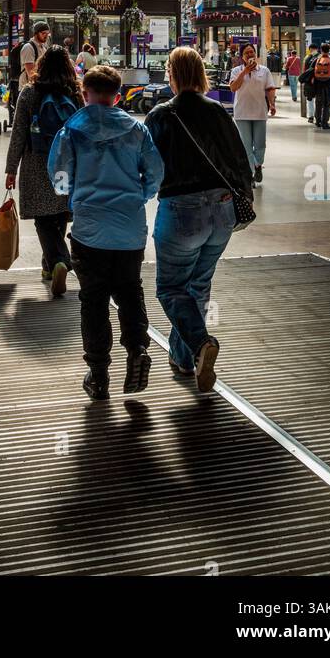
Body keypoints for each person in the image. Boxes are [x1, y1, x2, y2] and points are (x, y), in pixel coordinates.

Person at [48, 64, 164, 401]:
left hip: (89, 231)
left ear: (85, 94)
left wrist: (75, 196)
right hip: (129, 229)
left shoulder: (71, 132)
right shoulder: (136, 131)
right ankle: (137, 350)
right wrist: (138, 195)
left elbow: (59, 179)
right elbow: (156, 172)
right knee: (130, 292)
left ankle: (98, 375)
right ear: (118, 96)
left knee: (93, 300)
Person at [146, 47, 253, 394]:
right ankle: (183, 357)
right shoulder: (218, 111)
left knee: (170, 287)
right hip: (222, 209)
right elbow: (239, 158)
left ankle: (201, 343)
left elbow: (146, 165)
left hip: (181, 209)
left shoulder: (161, 115)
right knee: (198, 285)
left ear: (173, 73)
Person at [5, 45, 82, 294]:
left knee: (43, 218)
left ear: (41, 65)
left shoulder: (29, 93)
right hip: (66, 163)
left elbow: (18, 134)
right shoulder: (75, 93)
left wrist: (11, 169)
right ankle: (50, 265)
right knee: (59, 213)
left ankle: (60, 260)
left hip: (37, 161)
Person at [229, 44, 276, 184]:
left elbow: (270, 89)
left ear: (255, 54)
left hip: (260, 112)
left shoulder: (264, 71)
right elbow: (233, 88)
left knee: (260, 145)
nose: (250, 54)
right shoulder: (236, 71)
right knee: (246, 146)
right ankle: (249, 176)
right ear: (242, 56)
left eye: (252, 52)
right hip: (242, 113)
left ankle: (258, 165)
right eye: (246, 53)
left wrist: (272, 104)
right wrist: (244, 72)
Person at [302, 41, 330, 131]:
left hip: (318, 85)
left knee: (318, 103)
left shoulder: (316, 60)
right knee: (327, 104)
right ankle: (325, 123)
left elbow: (311, 74)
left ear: (321, 50)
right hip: (329, 85)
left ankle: (317, 121)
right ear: (329, 50)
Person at [19, 21, 50, 89]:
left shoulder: (43, 48)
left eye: (47, 33)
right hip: (28, 88)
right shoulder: (28, 47)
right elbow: (31, 72)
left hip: (38, 86)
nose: (46, 36)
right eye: (43, 33)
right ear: (36, 33)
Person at [301, 44, 317, 122]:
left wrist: (304, 80)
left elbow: (304, 70)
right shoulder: (320, 57)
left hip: (308, 81)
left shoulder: (307, 58)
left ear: (310, 49)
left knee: (310, 99)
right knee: (318, 99)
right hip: (319, 82)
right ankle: (318, 115)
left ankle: (311, 116)